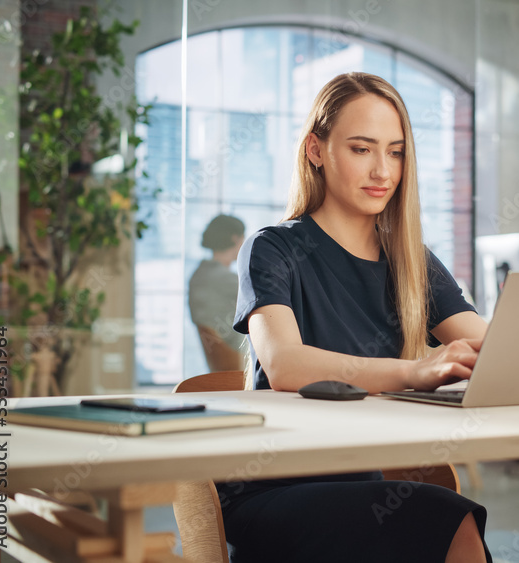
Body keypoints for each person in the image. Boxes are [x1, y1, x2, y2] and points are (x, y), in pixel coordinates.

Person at [222, 72, 492, 562]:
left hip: (359, 485)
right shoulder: (273, 248)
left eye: (395, 152)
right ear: (316, 150)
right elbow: (286, 364)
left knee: (445, 518)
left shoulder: (411, 261)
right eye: (362, 149)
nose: (383, 172)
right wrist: (415, 371)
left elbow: (495, 347)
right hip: (271, 491)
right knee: (451, 520)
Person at [188, 214, 246, 370]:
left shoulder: (199, 275)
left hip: (221, 362)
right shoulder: (225, 279)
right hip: (238, 360)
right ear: (235, 239)